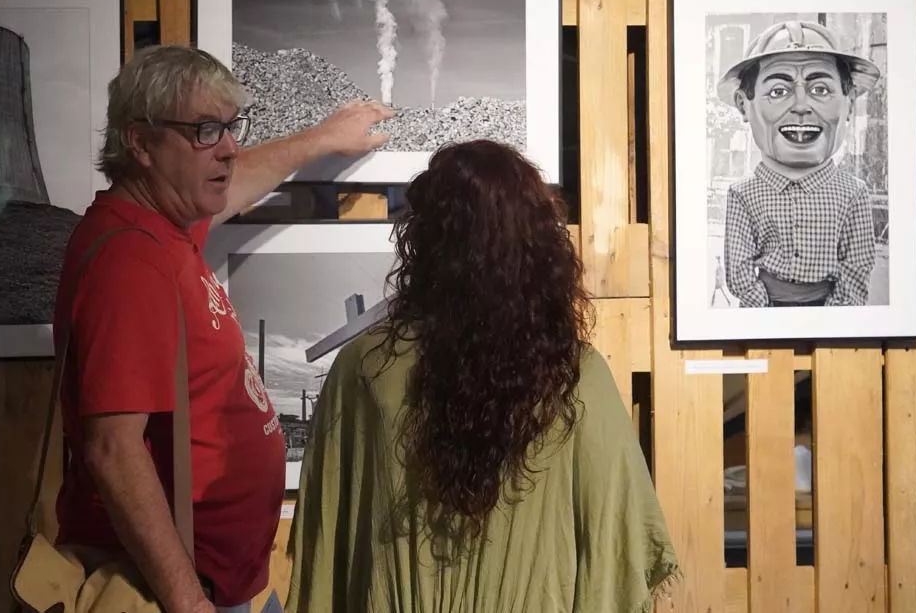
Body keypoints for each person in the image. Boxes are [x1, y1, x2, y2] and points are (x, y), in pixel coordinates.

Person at [52, 44, 394, 613]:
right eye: (206, 130)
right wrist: (190, 604)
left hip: (215, 583)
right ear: (140, 142)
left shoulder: (164, 224)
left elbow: (236, 182)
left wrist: (322, 138)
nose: (231, 149)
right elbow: (112, 449)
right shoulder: (131, 263)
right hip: (167, 592)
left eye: (232, 127)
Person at [283, 140, 680, 612]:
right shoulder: (574, 374)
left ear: (424, 241)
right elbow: (619, 547)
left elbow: (327, 547)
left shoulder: (365, 367)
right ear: (537, 244)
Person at [718, 19, 882, 308]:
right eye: (779, 91)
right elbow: (739, 269)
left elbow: (857, 267)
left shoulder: (853, 193)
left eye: (820, 89)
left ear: (850, 104)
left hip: (831, 315)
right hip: (763, 314)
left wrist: (832, 317)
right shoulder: (743, 194)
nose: (802, 105)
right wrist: (764, 311)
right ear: (745, 105)